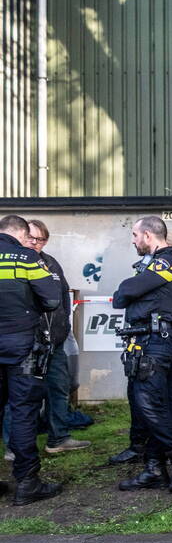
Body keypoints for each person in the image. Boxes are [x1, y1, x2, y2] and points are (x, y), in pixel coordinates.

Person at [112, 216, 172, 492]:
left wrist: (132, 294)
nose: (133, 240)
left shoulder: (165, 263)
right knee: (170, 402)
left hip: (158, 342)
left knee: (147, 403)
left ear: (149, 236)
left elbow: (123, 294)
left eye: (135, 235)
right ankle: (154, 466)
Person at [0, 214, 64, 505]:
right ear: (21, 234)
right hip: (22, 345)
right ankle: (27, 483)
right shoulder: (25, 258)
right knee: (24, 411)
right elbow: (52, 299)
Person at [24, 220, 92, 455]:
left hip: (55, 340)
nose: (35, 243)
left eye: (41, 239)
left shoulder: (51, 263)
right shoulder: (15, 262)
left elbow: (64, 296)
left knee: (59, 389)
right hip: (27, 342)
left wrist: (62, 330)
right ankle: (16, 447)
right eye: (31, 238)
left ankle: (58, 438)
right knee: (23, 394)